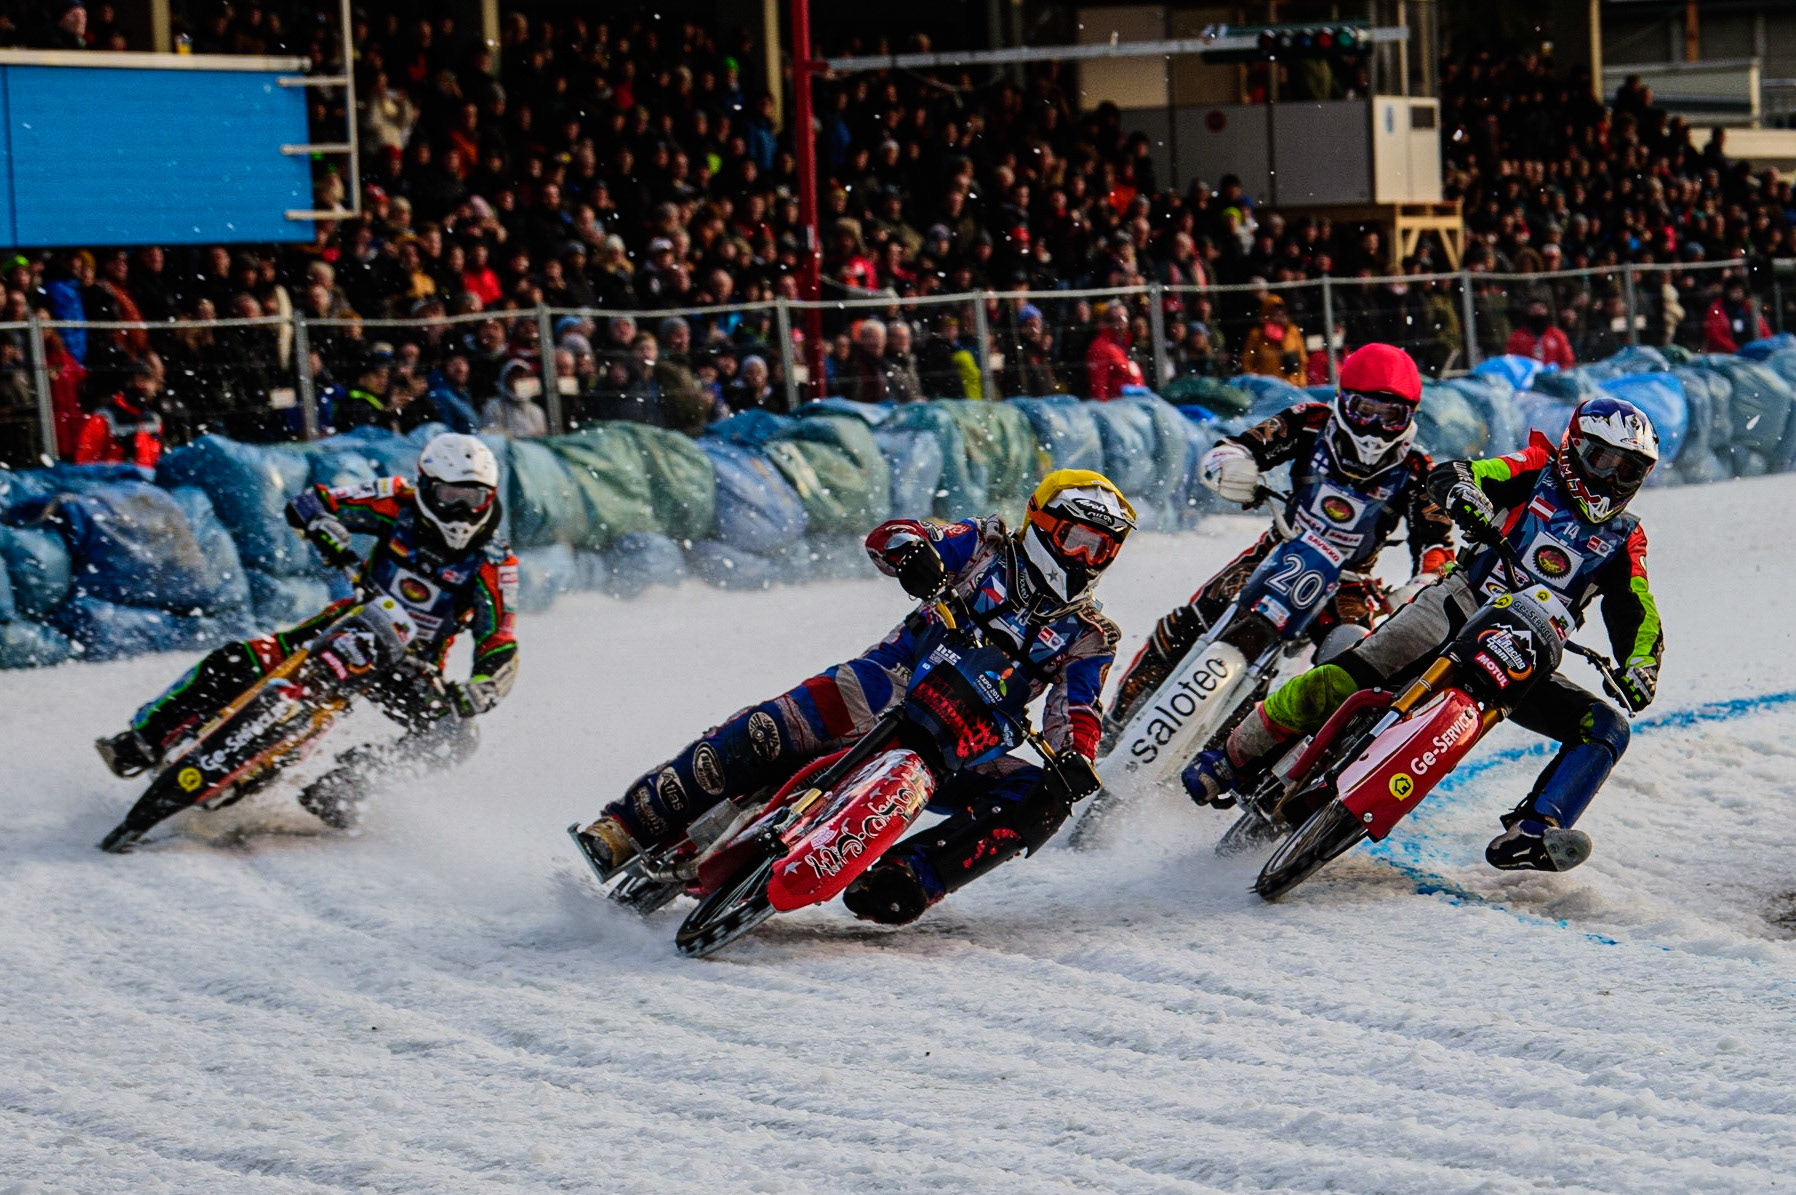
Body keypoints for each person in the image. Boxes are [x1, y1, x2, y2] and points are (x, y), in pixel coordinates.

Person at [573, 470, 1137, 925]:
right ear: (1041, 525)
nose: (1087, 559)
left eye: (1103, 550)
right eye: (1078, 541)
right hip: (881, 685)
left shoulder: (1090, 635)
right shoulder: (986, 546)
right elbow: (895, 535)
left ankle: (906, 877)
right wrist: (914, 553)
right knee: (765, 731)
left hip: (966, 744)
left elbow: (1078, 709)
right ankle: (630, 826)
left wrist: (1075, 759)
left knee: (1041, 798)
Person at [1186, 396, 1664, 873]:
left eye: (1629, 471)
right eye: (1603, 460)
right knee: (1347, 674)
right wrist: (1464, 493)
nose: (1611, 479)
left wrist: (1642, 664)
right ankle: (1231, 756)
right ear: (1572, 447)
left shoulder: (1627, 536)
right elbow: (1466, 473)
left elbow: (1635, 607)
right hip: (1458, 605)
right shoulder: (1537, 468)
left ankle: (1535, 830)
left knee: (1607, 727)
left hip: (1527, 651)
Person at [95, 434, 520, 830]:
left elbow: (499, 642)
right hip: (351, 620)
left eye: (474, 499)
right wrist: (324, 527)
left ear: (491, 497)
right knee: (238, 660)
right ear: (426, 487)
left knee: (456, 737)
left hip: (411, 663)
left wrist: (482, 688)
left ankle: (346, 786)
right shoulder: (396, 498)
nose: (461, 512)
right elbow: (309, 503)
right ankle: (143, 739)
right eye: (451, 497)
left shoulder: (495, 563)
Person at [1107, 344, 1454, 734]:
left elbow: (1437, 545)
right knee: (1186, 624)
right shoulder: (1309, 421)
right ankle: (1116, 723)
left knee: (1355, 668)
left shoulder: (1418, 469)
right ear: (1342, 400)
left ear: (1409, 416)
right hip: (1281, 549)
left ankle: (1284, 765)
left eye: (1389, 416)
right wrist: (1234, 465)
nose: (1373, 428)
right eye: (1364, 410)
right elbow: (1243, 446)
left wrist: (1421, 583)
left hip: (1350, 584)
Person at [74, 358, 164, 468]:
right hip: (114, 483)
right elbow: (85, 467)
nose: (142, 385)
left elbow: (156, 461)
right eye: (135, 380)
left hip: (146, 483)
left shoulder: (155, 420)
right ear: (126, 383)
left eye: (146, 379)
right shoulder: (103, 419)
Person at [1239, 295, 1307, 384]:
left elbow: (1302, 359)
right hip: (1266, 385)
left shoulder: (1292, 331)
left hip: (1291, 384)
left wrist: (1301, 382)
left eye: (1280, 309)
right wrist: (1254, 382)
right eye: (1273, 310)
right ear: (1266, 311)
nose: (1278, 313)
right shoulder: (1256, 334)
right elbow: (1247, 361)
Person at [1085, 302, 1143, 400]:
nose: (1123, 323)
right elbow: (1099, 388)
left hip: (1131, 405)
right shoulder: (1101, 347)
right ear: (1107, 322)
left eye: (1125, 318)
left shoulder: (1123, 344)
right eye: (1119, 319)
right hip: (1117, 408)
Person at [1703, 276, 1771, 353]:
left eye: (1740, 291)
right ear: (1727, 292)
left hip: (1750, 350)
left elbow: (1763, 328)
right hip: (1727, 354)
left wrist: (1767, 344)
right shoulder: (1715, 310)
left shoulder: (1748, 307)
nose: (1738, 294)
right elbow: (1715, 337)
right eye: (1734, 291)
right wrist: (1736, 350)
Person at [1506, 298, 1576, 369]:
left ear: (1546, 311)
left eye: (1540, 308)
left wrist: (1557, 371)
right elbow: (1512, 360)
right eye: (1533, 309)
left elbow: (1568, 360)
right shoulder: (1518, 336)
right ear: (1527, 312)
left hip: (1554, 377)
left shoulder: (1557, 335)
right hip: (1528, 377)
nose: (1537, 311)